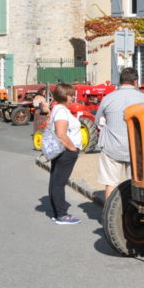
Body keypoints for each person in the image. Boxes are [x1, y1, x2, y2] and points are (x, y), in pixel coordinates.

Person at [94, 67, 144, 200]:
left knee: (111, 184)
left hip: (111, 147)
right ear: (135, 82)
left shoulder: (108, 98)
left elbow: (97, 121)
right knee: (135, 184)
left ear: (120, 81)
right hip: (135, 148)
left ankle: (108, 215)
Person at [48, 82, 82, 224]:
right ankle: (62, 215)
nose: (72, 97)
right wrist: (73, 148)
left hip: (61, 151)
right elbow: (61, 134)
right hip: (66, 152)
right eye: (70, 95)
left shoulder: (58, 109)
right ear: (64, 95)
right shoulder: (61, 111)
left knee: (55, 181)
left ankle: (57, 212)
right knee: (59, 182)